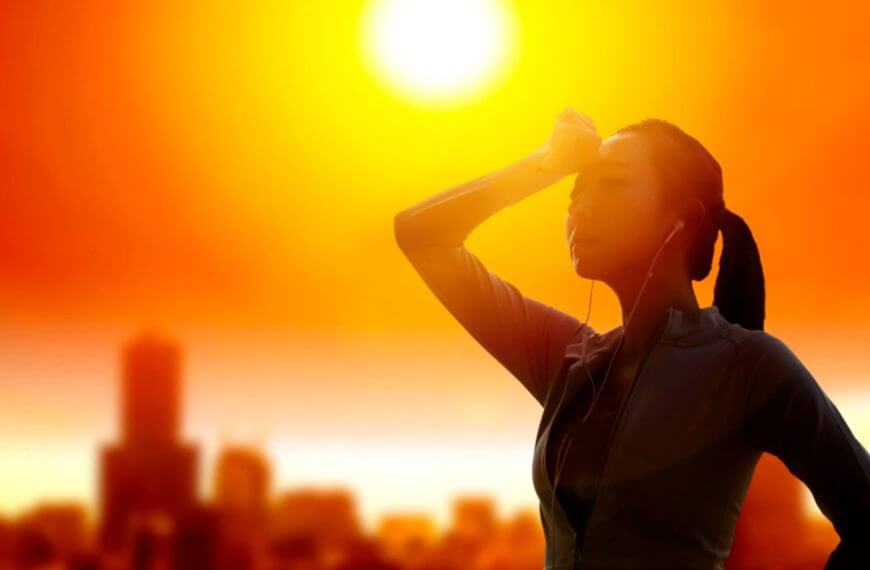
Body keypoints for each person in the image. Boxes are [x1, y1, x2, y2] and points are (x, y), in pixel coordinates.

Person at [393, 109, 870, 569]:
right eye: (574, 193)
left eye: (612, 184)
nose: (579, 207)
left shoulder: (747, 364)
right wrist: (546, 165)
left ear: (680, 218)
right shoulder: (570, 358)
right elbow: (422, 236)